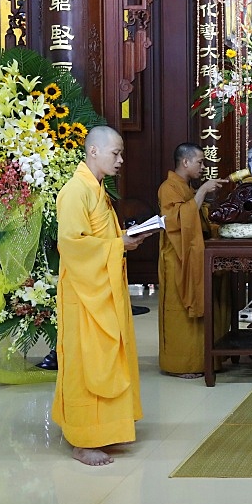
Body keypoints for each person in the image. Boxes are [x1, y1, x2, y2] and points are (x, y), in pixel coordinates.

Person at [52, 125, 151, 466]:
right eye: (116, 153)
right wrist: (116, 245)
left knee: (109, 358)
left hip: (102, 289)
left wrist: (124, 238)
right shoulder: (74, 191)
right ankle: (83, 440)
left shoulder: (96, 188)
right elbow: (72, 245)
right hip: (84, 293)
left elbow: (100, 235)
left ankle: (106, 428)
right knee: (87, 364)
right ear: (93, 151)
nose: (121, 160)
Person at [157, 143, 225, 378]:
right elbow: (177, 220)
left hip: (194, 255)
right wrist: (203, 191)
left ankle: (203, 360)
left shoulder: (184, 186)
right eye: (200, 162)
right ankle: (179, 365)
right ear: (185, 162)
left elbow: (195, 215)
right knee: (180, 313)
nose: (203, 167)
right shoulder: (168, 187)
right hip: (177, 257)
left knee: (202, 305)